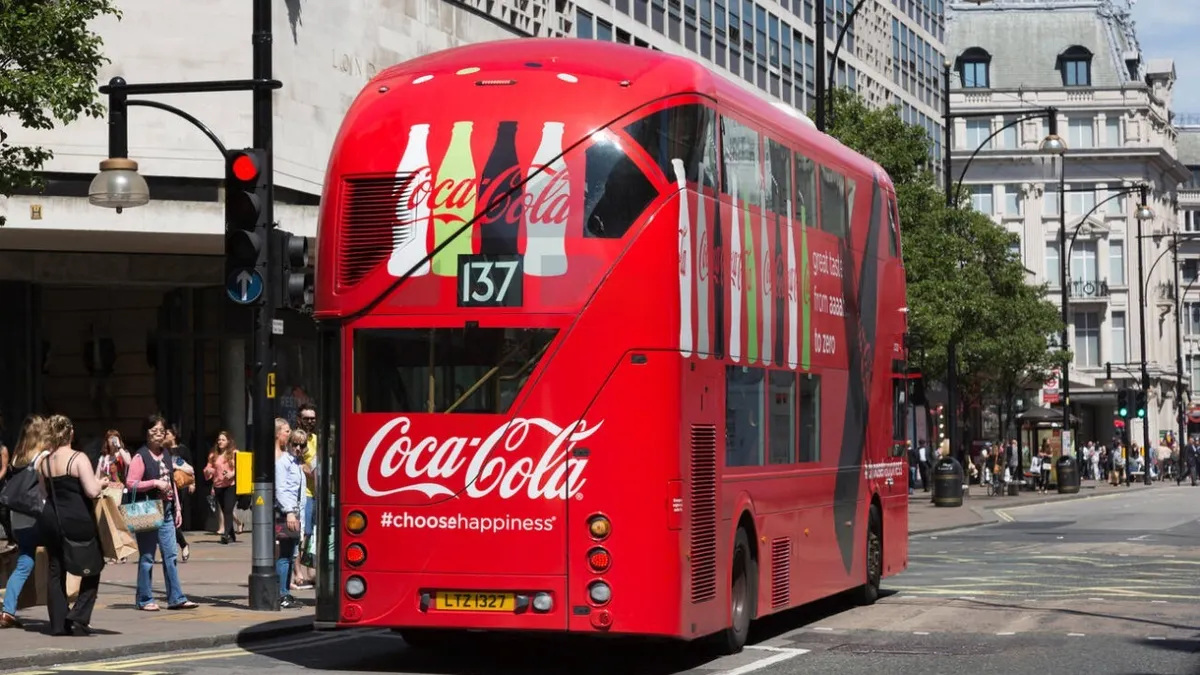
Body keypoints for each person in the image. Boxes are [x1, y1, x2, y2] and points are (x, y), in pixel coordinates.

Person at [38, 415, 108, 636]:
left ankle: (58, 624)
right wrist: (102, 483)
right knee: (93, 565)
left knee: (55, 570)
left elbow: (42, 493)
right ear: (70, 433)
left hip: (51, 519)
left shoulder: (44, 462)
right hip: (77, 519)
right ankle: (78, 616)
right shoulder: (78, 458)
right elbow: (92, 491)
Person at [125, 414, 199, 612]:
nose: (158, 435)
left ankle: (176, 597)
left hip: (166, 510)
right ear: (146, 433)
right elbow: (131, 483)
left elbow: (173, 481)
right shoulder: (140, 456)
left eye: (161, 431)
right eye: (154, 431)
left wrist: (177, 507)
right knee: (148, 557)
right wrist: (154, 483)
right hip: (147, 509)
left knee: (170, 555)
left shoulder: (166, 454)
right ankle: (144, 599)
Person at [0, 416, 49, 629]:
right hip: (36, 515)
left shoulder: (18, 456)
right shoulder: (42, 457)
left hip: (17, 517)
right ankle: (66, 610)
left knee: (25, 561)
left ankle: (8, 610)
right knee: (58, 560)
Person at [275, 428, 307, 609]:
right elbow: (281, 490)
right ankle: (282, 594)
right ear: (289, 444)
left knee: (292, 553)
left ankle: (286, 591)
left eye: (301, 445)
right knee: (285, 555)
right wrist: (289, 512)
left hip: (296, 514)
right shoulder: (283, 463)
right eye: (294, 444)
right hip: (288, 514)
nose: (297, 447)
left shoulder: (297, 464)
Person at [204, 432, 239, 545]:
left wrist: (232, 474)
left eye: (223, 440)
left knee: (228, 509)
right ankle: (232, 535)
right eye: (219, 440)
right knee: (225, 510)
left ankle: (226, 534)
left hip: (231, 485)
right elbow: (207, 469)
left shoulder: (234, 453)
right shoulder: (213, 455)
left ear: (228, 441)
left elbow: (242, 467)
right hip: (218, 485)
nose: (220, 442)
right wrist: (208, 471)